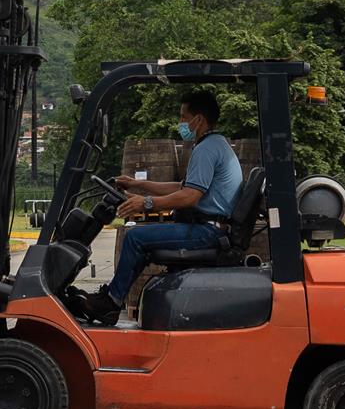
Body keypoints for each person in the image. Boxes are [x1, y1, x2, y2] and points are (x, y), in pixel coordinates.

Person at [75, 90, 243, 326]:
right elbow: (181, 186)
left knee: (135, 238)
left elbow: (189, 197)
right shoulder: (216, 144)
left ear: (199, 120)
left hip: (207, 231)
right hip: (209, 227)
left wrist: (145, 203)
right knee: (142, 244)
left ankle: (111, 301)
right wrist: (138, 184)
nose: (181, 123)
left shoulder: (206, 150)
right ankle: (112, 299)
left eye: (184, 117)